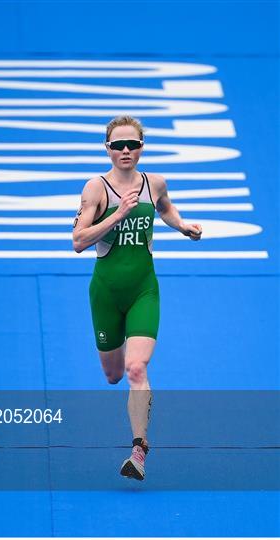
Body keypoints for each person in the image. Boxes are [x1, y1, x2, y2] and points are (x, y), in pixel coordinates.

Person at [72, 115, 202, 480]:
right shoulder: (96, 189)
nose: (125, 151)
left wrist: (183, 226)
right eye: (118, 145)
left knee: (136, 368)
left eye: (132, 145)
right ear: (107, 149)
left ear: (142, 147)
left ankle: (139, 450)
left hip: (144, 289)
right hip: (106, 294)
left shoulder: (155, 183)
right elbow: (79, 242)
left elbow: (165, 209)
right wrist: (120, 214)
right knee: (113, 374)